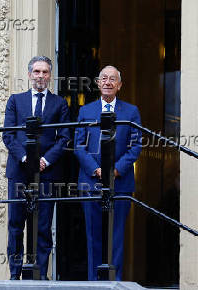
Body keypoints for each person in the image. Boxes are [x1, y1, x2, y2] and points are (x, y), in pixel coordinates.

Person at [2, 56, 70, 280]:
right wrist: (26, 158)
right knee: (15, 225)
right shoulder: (15, 100)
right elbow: (8, 135)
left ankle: (40, 275)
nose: (41, 76)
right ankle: (15, 274)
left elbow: (64, 138)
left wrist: (45, 160)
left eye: (45, 72)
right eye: (37, 72)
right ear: (30, 74)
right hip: (20, 172)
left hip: (47, 173)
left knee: (42, 227)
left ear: (50, 75)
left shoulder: (59, 103)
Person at [74, 65, 142, 281]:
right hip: (90, 182)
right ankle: (94, 283)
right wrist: (96, 169)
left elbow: (135, 146)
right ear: (98, 83)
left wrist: (114, 170)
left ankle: (115, 281)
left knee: (117, 234)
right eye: (104, 78)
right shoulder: (85, 111)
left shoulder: (131, 111)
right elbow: (78, 145)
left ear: (119, 85)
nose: (108, 82)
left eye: (113, 79)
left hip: (120, 182)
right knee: (93, 234)